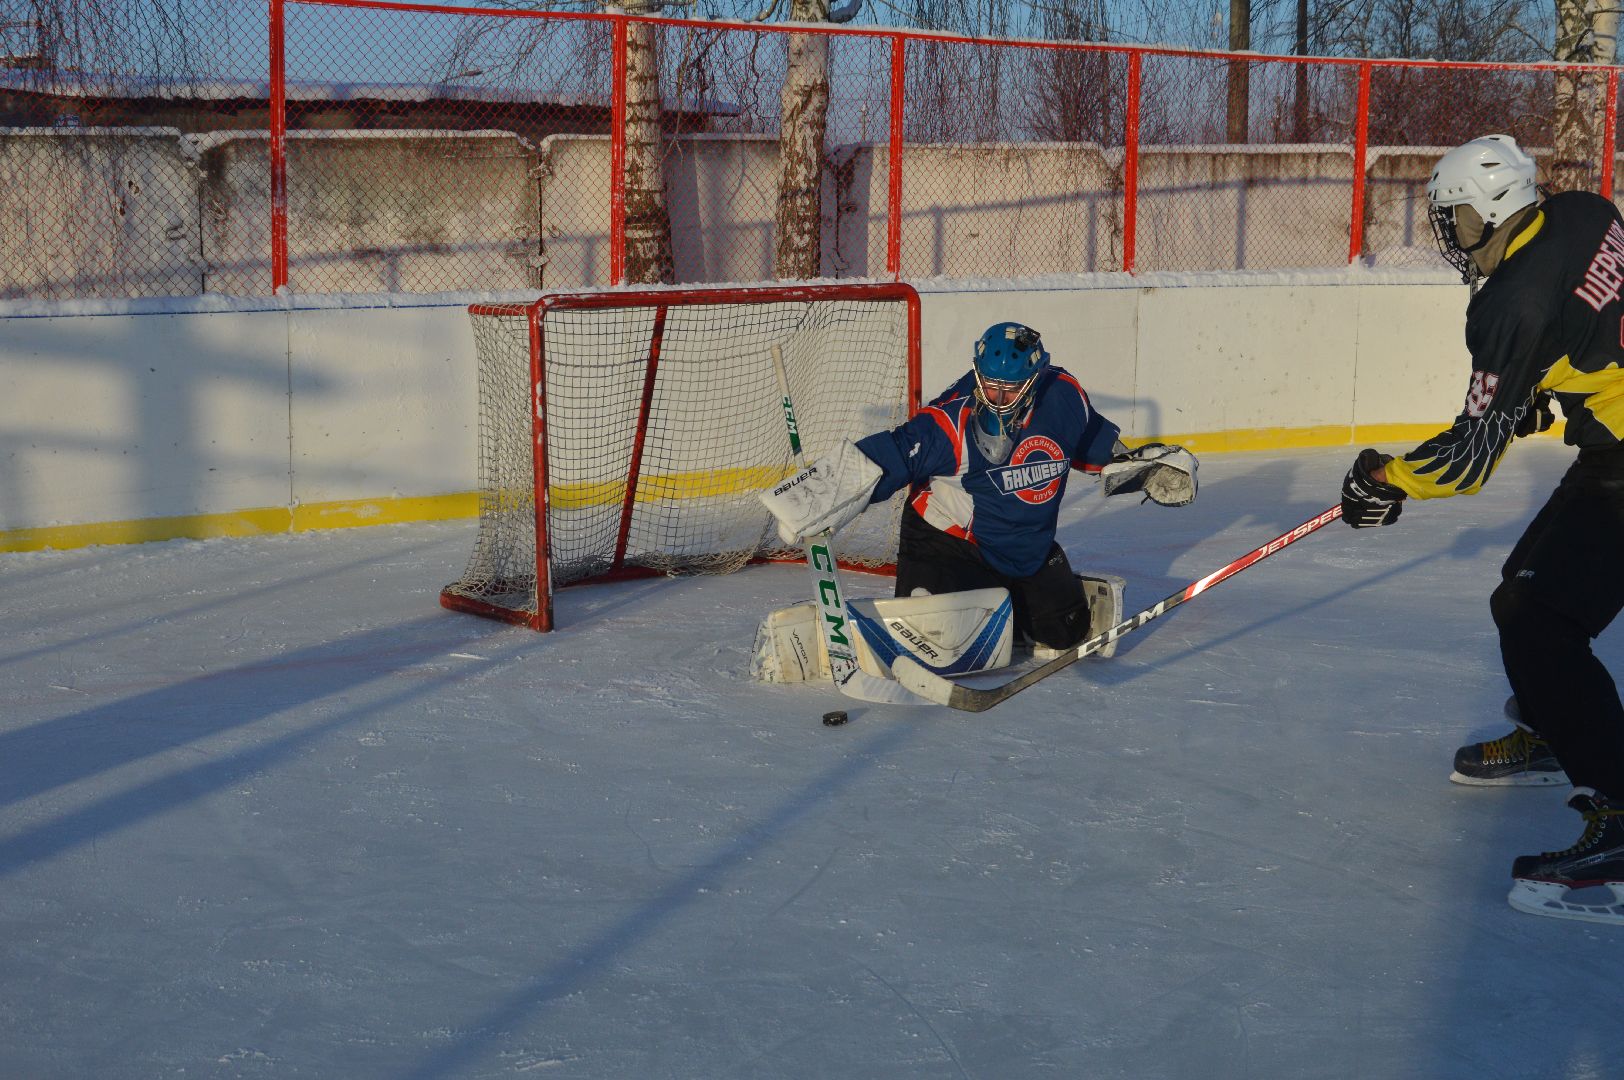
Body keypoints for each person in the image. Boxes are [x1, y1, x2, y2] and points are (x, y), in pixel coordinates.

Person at [1339, 133, 1624, 924]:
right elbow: (1586, 320)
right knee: (1519, 601)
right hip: (1613, 442)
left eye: (1456, 219)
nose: (1451, 236)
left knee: (1540, 624)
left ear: (1494, 211)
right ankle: (1554, 730)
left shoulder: (1508, 306)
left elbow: (1467, 459)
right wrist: (1536, 388)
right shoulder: (1581, 212)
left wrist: (1386, 476)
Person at [761, 320, 1197, 660]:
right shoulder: (951, 420)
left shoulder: (1063, 396)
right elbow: (890, 454)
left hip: (1025, 547)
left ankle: (1016, 603)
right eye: (988, 382)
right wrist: (813, 497)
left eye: (1009, 387)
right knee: (932, 647)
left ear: (1035, 376)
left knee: (1067, 633)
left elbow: (1090, 443)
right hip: (947, 543)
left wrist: (1142, 468)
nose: (997, 394)